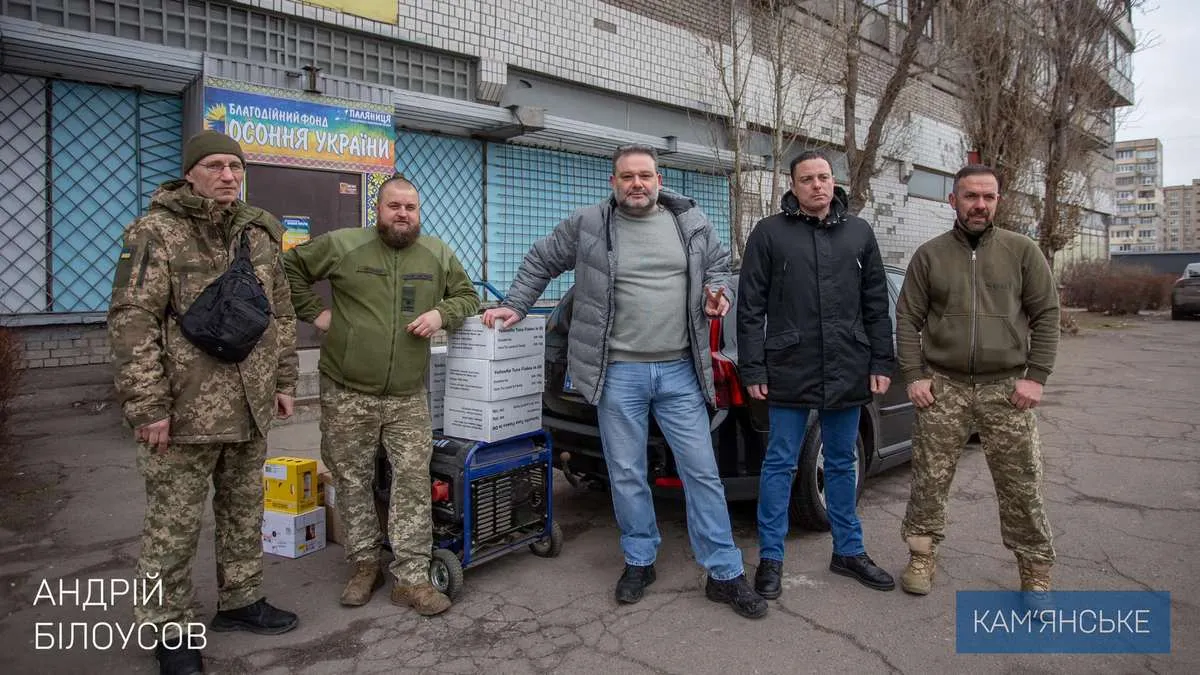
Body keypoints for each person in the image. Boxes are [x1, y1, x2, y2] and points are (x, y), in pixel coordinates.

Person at [482, 144, 768, 619]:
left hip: (679, 370)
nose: (637, 183)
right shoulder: (589, 224)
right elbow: (541, 259)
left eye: (645, 175)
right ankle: (639, 559)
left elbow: (720, 270)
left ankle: (724, 571)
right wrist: (515, 303)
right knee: (627, 472)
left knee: (701, 471)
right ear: (613, 182)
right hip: (618, 373)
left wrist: (718, 293)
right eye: (627, 176)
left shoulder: (691, 222)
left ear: (660, 179)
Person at [108, 130, 300, 675]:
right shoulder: (155, 231)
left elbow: (280, 313)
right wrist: (148, 406)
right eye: (215, 166)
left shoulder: (259, 232)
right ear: (190, 172)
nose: (227, 176)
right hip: (185, 411)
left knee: (244, 510)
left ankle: (241, 600)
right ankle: (168, 629)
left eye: (235, 167)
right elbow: (132, 321)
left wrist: (283, 381)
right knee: (173, 525)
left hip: (249, 405)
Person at [283, 175, 480, 616]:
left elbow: (468, 297)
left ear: (418, 211)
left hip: (408, 395)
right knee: (352, 480)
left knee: (412, 481)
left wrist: (440, 312)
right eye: (394, 206)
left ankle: (411, 577)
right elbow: (288, 270)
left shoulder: (437, 253)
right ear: (378, 209)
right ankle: (363, 564)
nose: (403, 214)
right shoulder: (344, 245)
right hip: (347, 391)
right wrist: (316, 313)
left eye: (410, 207)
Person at [736, 150, 897, 598]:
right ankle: (771, 557)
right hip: (789, 366)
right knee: (780, 464)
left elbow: (875, 306)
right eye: (807, 179)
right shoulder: (769, 233)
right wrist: (753, 366)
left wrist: (882, 361)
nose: (817, 185)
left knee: (843, 462)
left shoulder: (859, 233)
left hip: (848, 364)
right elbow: (749, 309)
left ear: (834, 181)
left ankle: (848, 551)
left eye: (824, 177)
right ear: (793, 184)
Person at [894, 164, 1059, 598]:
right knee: (929, 479)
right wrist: (914, 376)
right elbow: (907, 318)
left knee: (1022, 483)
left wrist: (1036, 377)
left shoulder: (1022, 251)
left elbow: (1047, 315)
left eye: (988, 197)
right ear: (954, 201)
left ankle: (1035, 569)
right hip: (942, 387)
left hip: (1007, 390)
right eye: (970, 196)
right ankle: (922, 555)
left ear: (998, 201)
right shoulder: (929, 255)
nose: (979, 205)